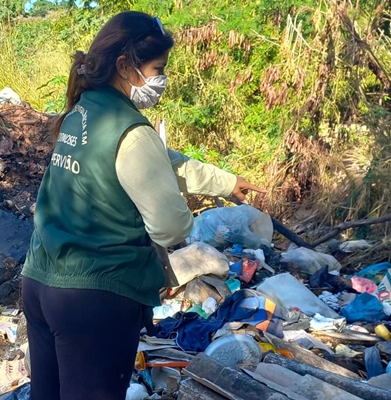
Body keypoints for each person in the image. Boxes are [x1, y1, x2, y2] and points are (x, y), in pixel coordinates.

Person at [21, 11, 265, 400]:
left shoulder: (85, 110)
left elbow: (166, 163)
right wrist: (182, 220)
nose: (161, 80)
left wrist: (226, 183)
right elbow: (170, 227)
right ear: (125, 66)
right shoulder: (132, 130)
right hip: (95, 296)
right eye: (158, 68)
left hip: (41, 282)